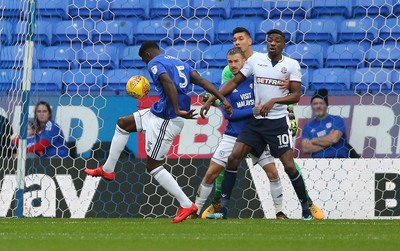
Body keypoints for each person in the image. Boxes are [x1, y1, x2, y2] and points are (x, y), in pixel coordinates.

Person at [85, 41, 232, 223]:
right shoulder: (179, 63)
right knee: (123, 123)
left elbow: (167, 82)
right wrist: (222, 99)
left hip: (167, 119)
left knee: (153, 166)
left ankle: (186, 204)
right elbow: (201, 81)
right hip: (158, 111)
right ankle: (107, 169)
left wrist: (177, 109)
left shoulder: (154, 63)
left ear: (146, 55)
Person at [201, 27, 324, 220]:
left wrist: (282, 107)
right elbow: (233, 84)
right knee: (233, 158)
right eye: (269, 40)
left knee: (288, 166)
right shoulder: (253, 62)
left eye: (240, 38)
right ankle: (222, 209)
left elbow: (296, 94)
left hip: (277, 122)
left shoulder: (291, 65)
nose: (273, 43)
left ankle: (306, 207)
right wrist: (210, 100)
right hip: (254, 122)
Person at [192, 47, 288, 220]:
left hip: (256, 135)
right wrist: (254, 110)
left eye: (236, 61)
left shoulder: (257, 80)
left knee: (273, 172)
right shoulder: (226, 88)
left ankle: (279, 212)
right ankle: (195, 210)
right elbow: (232, 115)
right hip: (233, 135)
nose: (233, 65)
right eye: (230, 62)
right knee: (211, 173)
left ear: (245, 62)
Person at [301, 88, 357, 158]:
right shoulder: (308, 126)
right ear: (311, 106)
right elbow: (305, 148)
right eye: (315, 103)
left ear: (326, 105)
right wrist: (328, 141)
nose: (318, 106)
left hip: (338, 161)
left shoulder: (336, 120)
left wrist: (313, 140)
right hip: (316, 164)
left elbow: (333, 139)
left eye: (321, 103)